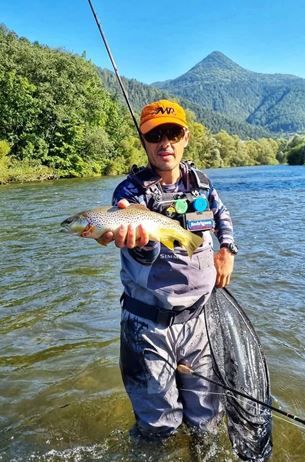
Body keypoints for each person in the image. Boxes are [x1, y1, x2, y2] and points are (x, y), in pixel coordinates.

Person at [98, 99, 237, 438]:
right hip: (148, 324)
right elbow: (142, 258)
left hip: (201, 321)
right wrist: (141, 243)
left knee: (207, 422)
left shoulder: (202, 183)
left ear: (185, 136)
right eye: (155, 135)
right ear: (144, 141)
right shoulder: (129, 194)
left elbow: (222, 217)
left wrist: (228, 249)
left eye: (172, 133)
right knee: (158, 428)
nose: (165, 143)